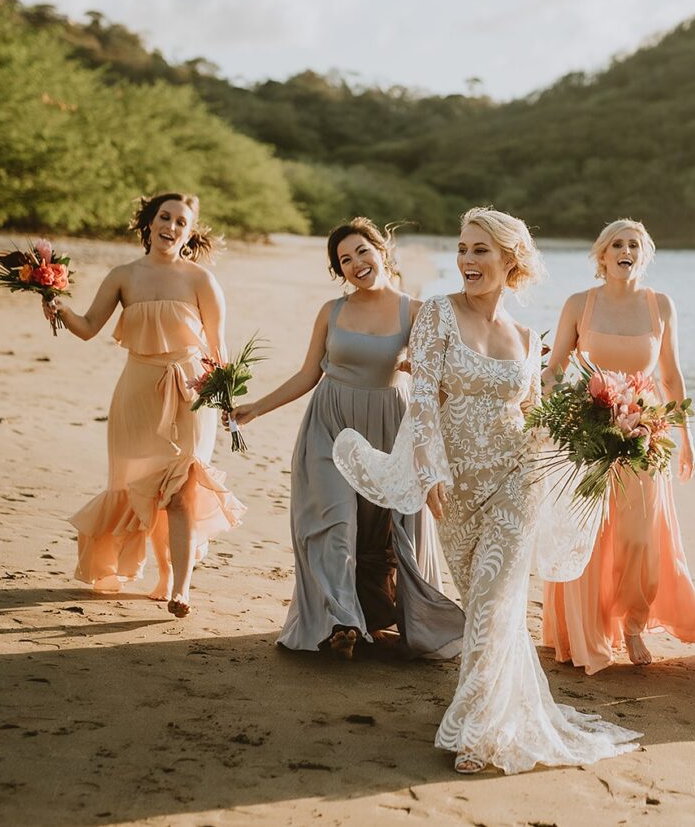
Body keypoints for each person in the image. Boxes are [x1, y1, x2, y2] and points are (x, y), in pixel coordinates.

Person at [334, 207, 640, 774]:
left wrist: (603, 431)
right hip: (455, 485)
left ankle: (476, 730)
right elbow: (423, 399)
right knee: (482, 607)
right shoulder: (437, 317)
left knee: (498, 604)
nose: (467, 261)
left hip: (515, 480)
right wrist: (429, 471)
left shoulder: (526, 338)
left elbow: (532, 414)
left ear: (509, 260)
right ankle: (502, 711)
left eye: (480, 251)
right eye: (462, 249)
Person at [232, 218, 463, 659]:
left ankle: (393, 615)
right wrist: (257, 407)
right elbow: (308, 373)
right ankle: (343, 622)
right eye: (345, 260)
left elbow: (443, 380)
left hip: (389, 430)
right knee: (334, 521)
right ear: (339, 271)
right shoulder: (332, 311)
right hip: (330, 424)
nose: (356, 263)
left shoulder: (415, 311)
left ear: (382, 250)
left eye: (362, 251)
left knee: (397, 529)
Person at [46, 193, 244, 618]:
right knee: (143, 490)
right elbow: (86, 328)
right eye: (164, 217)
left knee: (180, 492)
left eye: (181, 222)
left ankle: (180, 585)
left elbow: (218, 347)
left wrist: (227, 399)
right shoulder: (124, 276)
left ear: (190, 233)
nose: (170, 227)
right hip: (135, 394)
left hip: (190, 394)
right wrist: (56, 303)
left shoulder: (201, 281)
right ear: (149, 222)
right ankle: (161, 574)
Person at [540, 219, 695, 672]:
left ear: (643, 254)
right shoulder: (580, 304)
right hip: (588, 433)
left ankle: (633, 624)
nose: (624, 250)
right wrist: (549, 415)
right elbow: (555, 368)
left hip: (645, 434)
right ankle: (584, 629)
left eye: (634, 244)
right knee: (589, 536)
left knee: (638, 539)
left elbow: (671, 377)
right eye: (617, 244)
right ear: (602, 255)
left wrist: (686, 437)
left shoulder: (661, 306)